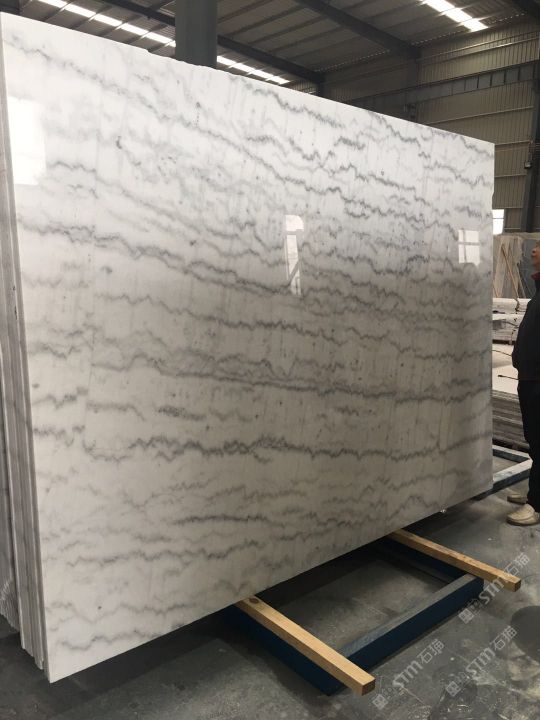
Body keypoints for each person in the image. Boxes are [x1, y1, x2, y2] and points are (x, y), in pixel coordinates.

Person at [507, 240, 540, 525]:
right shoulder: (539, 290)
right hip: (529, 377)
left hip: (538, 379)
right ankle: (534, 491)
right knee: (534, 440)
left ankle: (537, 504)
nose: (534, 249)